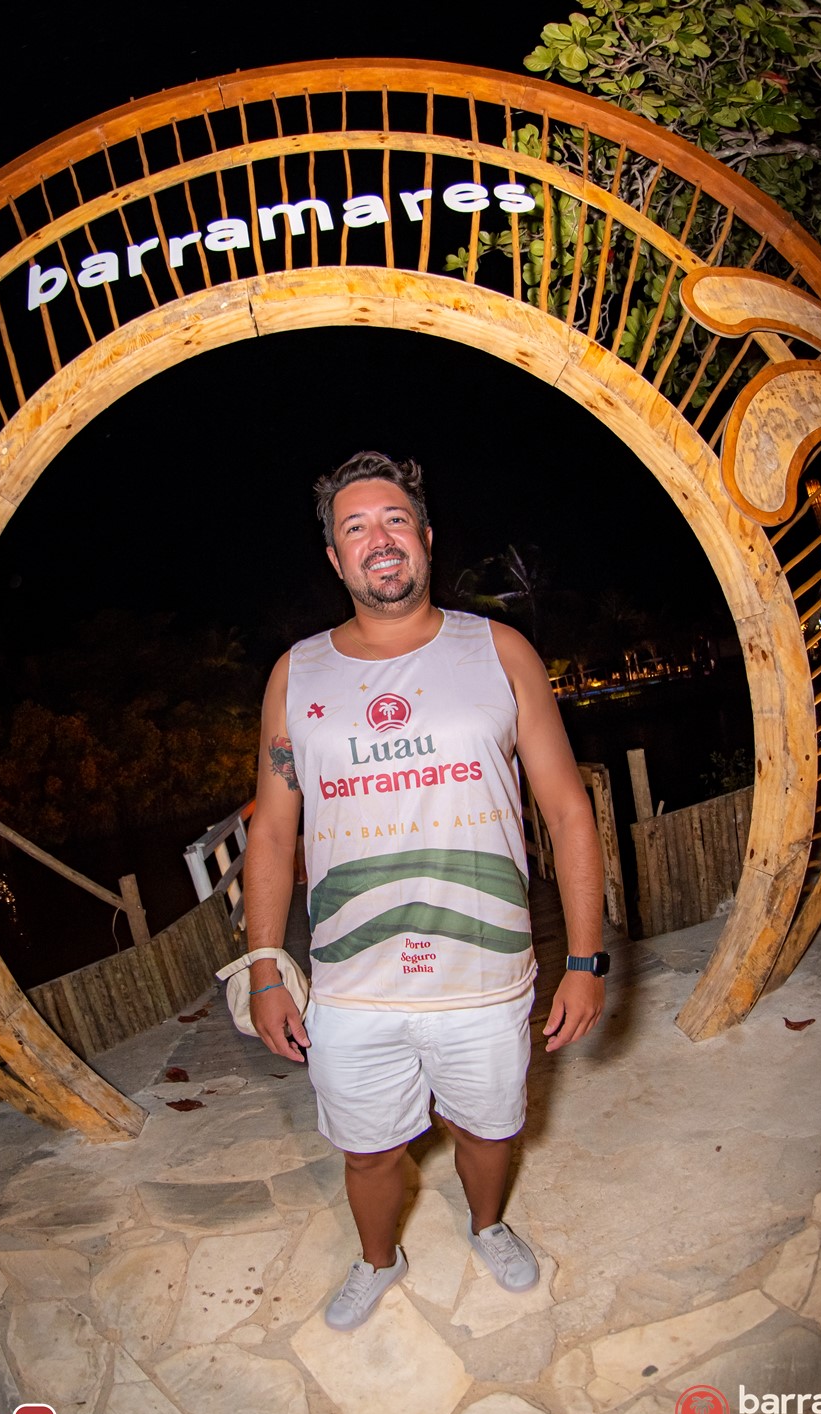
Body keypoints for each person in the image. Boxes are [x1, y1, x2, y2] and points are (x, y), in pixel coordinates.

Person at [244, 451, 607, 1331]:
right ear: (334, 557)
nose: (379, 539)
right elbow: (274, 832)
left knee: (490, 1131)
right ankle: (381, 1258)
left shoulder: (499, 651)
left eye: (395, 519)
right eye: (355, 527)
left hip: (484, 972)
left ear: (427, 537)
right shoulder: (296, 675)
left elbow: (566, 808)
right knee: (368, 1150)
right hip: (352, 985)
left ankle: (488, 1226)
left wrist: (587, 960)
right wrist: (263, 968)